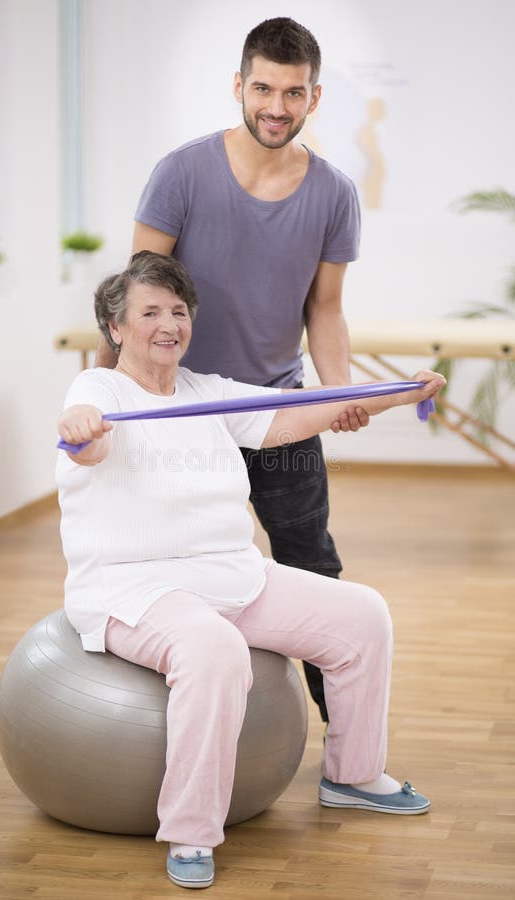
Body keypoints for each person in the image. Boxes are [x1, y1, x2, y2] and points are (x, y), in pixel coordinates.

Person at [59, 252, 445, 890]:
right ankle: (190, 831)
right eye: (149, 311)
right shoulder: (97, 393)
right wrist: (80, 432)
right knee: (215, 650)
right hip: (135, 586)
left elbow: (298, 415)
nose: (168, 323)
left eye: (178, 311)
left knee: (362, 614)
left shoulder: (207, 392)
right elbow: (89, 444)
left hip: (230, 574)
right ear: (116, 327)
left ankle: (351, 776)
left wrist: (399, 393)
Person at [97, 17, 364, 723]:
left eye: (293, 93)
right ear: (239, 86)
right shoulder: (181, 174)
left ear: (315, 98)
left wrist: (336, 393)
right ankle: (150, 724)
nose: (276, 106)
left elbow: (327, 309)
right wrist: (105, 397)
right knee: (167, 564)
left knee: (313, 565)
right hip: (180, 412)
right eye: (263, 88)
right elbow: (138, 295)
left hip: (274, 410)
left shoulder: (335, 194)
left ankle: (348, 745)